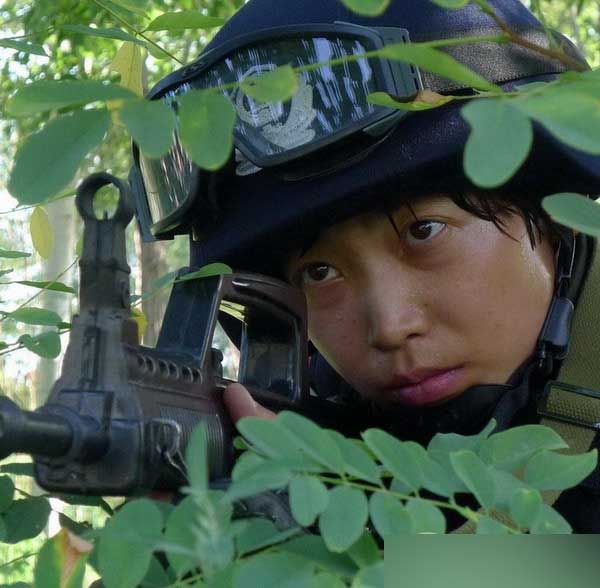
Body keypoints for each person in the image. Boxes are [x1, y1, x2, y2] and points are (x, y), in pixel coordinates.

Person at [130, 0, 600, 532]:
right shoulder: (313, 433)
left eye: (424, 232)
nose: (391, 327)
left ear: (557, 217)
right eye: (319, 273)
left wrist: (354, 559)